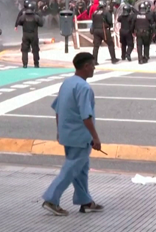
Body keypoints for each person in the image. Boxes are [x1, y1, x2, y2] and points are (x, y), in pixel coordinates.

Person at [42, 52, 104, 217]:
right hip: (80, 136)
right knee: (71, 169)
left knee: (80, 169)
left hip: (67, 134)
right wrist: (95, 138)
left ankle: (85, 201)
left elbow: (58, 109)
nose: (94, 68)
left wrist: (59, 130)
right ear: (86, 66)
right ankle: (51, 199)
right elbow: (86, 116)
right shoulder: (84, 88)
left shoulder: (67, 83)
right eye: (93, 65)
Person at [90, 1, 119, 65]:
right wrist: (109, 25)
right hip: (104, 30)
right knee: (110, 44)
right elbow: (110, 21)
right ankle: (113, 59)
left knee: (96, 46)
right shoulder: (106, 12)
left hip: (96, 30)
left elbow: (93, 21)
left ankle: (94, 61)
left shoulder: (95, 12)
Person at [16, 1, 44, 68]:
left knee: (24, 50)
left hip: (25, 34)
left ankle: (25, 64)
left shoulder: (23, 17)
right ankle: (36, 64)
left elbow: (19, 22)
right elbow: (41, 24)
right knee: (35, 50)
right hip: (34, 35)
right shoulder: (36, 17)